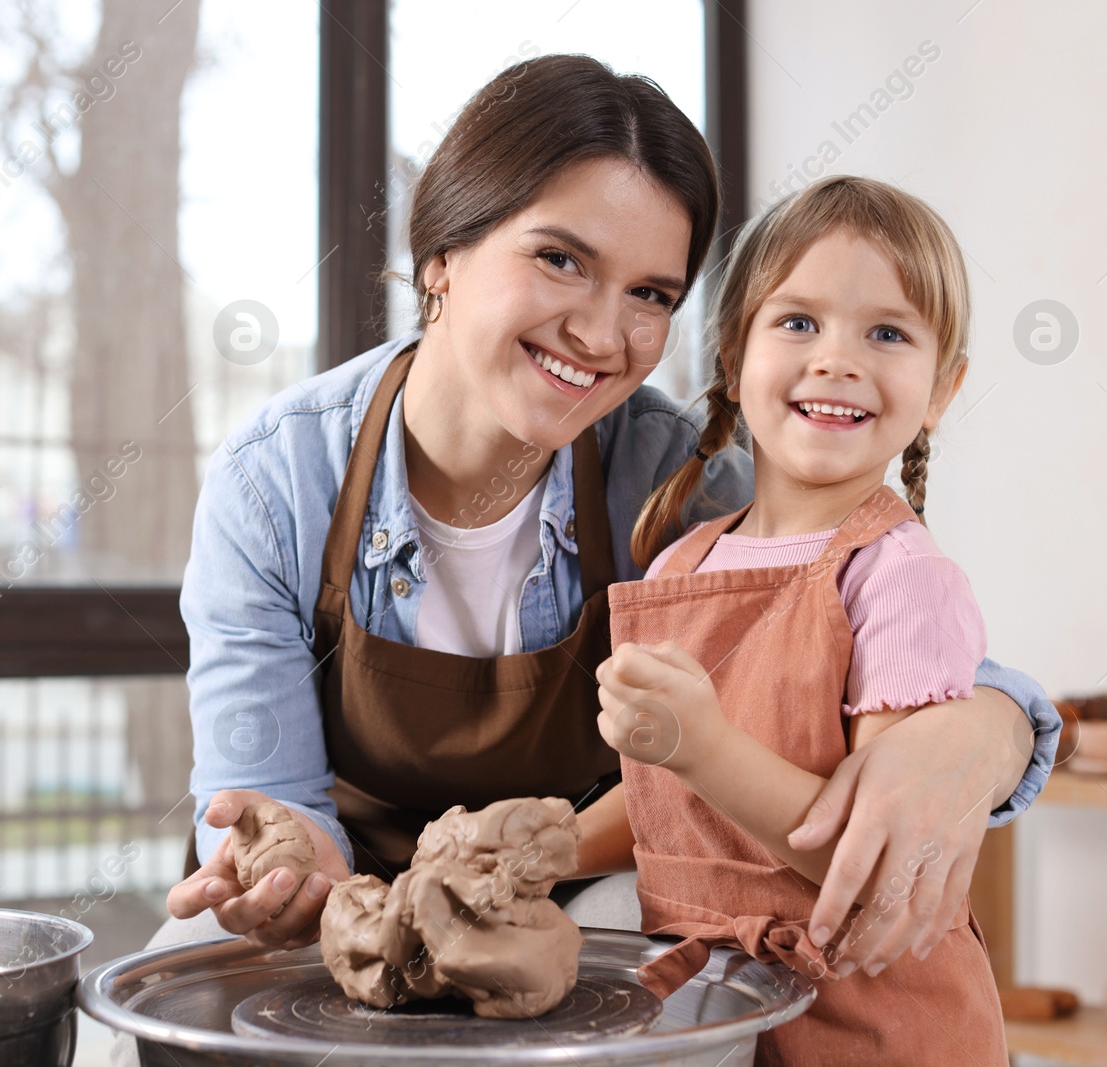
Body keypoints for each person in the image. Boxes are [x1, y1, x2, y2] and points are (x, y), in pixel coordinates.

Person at [149, 55, 1055, 977]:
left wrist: (983, 732)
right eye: (559, 260)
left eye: (650, 295)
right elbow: (266, 794)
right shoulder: (277, 481)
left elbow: (890, 633)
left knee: (670, 942)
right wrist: (288, 869)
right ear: (443, 255)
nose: (599, 334)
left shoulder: (674, 473)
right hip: (354, 889)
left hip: (568, 888)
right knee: (182, 959)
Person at [598, 175, 1011, 1063]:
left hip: (873, 1025)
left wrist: (702, 744)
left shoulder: (903, 579)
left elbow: (875, 869)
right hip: (711, 1009)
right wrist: (550, 839)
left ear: (942, 389)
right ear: (731, 356)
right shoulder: (684, 563)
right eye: (797, 322)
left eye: (888, 333)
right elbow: (664, 808)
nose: (837, 359)